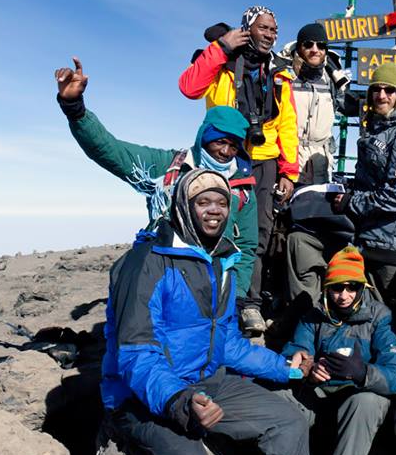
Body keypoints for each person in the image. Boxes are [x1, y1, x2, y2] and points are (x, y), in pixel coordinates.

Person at [100, 168, 313, 455]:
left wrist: (284, 368)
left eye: (221, 202)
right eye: (203, 201)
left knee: (289, 422)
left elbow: (226, 342)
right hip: (144, 398)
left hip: (205, 383)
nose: (215, 209)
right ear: (184, 206)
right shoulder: (146, 263)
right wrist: (180, 401)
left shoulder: (219, 262)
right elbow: (135, 354)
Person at [55, 57, 258, 302]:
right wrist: (74, 106)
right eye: (220, 142)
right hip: (166, 271)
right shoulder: (169, 166)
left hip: (215, 283)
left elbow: (246, 248)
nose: (226, 152)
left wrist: (235, 296)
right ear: (204, 138)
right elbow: (111, 151)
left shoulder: (243, 187)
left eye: (233, 145)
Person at [179, 6, 300, 334]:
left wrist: (289, 172)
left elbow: (288, 124)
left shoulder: (279, 73)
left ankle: (249, 303)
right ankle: (204, 298)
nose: (271, 34)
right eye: (264, 28)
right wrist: (220, 49)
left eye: (274, 30)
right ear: (248, 28)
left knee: (257, 235)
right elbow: (188, 88)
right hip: (222, 156)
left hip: (264, 159)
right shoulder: (221, 62)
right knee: (209, 227)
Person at [282, 246, 396, 455]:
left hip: (354, 403)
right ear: (327, 288)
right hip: (319, 396)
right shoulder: (313, 315)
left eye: (351, 287)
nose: (344, 296)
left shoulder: (379, 317)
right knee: (281, 400)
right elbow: (293, 352)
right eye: (337, 288)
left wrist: (363, 373)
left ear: (362, 287)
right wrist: (307, 367)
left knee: (370, 401)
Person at [332, 62, 396, 312]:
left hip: (392, 249)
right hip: (364, 243)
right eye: (376, 89)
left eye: (389, 90)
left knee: (395, 323)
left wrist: (351, 202)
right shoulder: (376, 131)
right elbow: (370, 183)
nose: (382, 95)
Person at [284, 23, 351, 185]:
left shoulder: (331, 79)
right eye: (308, 44)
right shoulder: (284, 76)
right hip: (288, 162)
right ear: (299, 47)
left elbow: (349, 105)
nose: (315, 49)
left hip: (321, 165)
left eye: (321, 45)